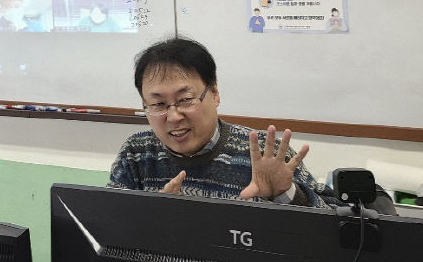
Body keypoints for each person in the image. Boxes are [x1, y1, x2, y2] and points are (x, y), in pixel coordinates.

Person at [108, 37, 334, 207]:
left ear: (214, 93)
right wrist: (154, 214)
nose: (174, 116)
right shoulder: (136, 153)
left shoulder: (265, 153)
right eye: (158, 105)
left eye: (185, 100)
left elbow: (333, 229)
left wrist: (286, 194)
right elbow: (105, 225)